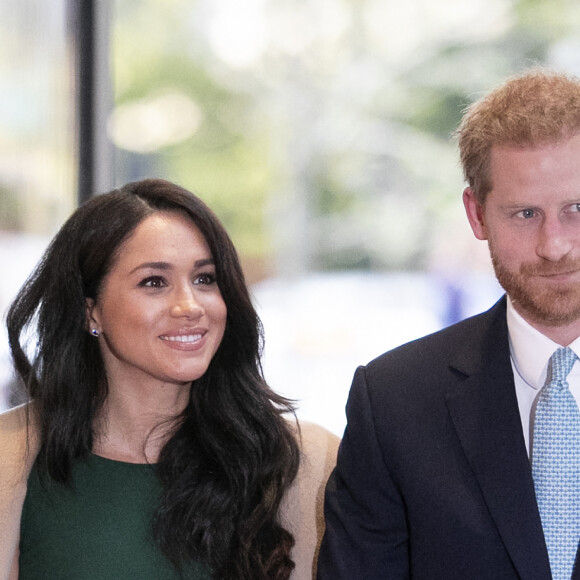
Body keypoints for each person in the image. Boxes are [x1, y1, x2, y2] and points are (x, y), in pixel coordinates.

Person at [0, 178, 339, 580]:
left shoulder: (307, 461)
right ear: (90, 312)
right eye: (154, 282)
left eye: (205, 279)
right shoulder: (12, 455)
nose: (189, 306)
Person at [317, 68, 580, 580]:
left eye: (579, 208)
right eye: (525, 214)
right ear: (476, 215)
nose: (555, 245)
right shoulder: (393, 403)